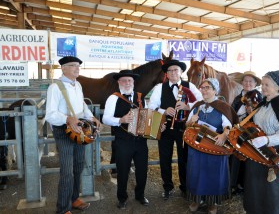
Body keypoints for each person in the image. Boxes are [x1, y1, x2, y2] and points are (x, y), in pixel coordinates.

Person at [45, 56, 101, 214]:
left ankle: (74, 198)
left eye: (78, 66)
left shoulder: (78, 85)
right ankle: (62, 209)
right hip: (63, 131)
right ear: (63, 68)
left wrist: (91, 117)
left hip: (79, 129)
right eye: (73, 66)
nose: (77, 69)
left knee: (78, 165)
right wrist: (67, 119)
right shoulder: (55, 87)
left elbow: (82, 104)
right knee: (67, 171)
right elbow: (50, 114)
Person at [148, 59, 202, 200]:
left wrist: (188, 106)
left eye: (175, 70)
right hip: (165, 129)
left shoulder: (189, 85)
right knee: (164, 159)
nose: (173, 73)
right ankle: (167, 187)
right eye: (170, 70)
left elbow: (200, 101)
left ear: (181, 72)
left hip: (184, 129)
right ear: (166, 73)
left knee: (184, 159)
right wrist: (164, 110)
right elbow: (151, 106)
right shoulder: (160, 87)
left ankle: (185, 187)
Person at [243, 70, 279, 214]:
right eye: (263, 84)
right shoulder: (262, 103)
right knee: (257, 189)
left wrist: (266, 139)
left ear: (277, 87)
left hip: (276, 153)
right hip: (258, 151)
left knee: (273, 192)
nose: (263, 87)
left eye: (267, 84)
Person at [185, 78, 239, 214]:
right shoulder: (197, 106)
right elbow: (187, 126)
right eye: (202, 88)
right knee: (197, 173)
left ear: (215, 90)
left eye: (207, 87)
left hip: (215, 148)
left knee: (213, 175)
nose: (204, 90)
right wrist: (190, 121)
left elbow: (229, 127)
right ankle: (196, 200)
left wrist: (223, 135)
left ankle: (212, 203)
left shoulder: (223, 107)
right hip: (196, 148)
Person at [102, 70, 149, 209]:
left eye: (129, 80)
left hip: (140, 141)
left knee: (142, 170)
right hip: (123, 141)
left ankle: (140, 195)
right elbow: (105, 119)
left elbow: (145, 117)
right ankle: (122, 198)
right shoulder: (113, 98)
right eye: (123, 80)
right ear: (118, 82)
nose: (127, 83)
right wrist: (120, 120)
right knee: (122, 171)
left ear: (133, 82)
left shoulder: (141, 97)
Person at [230, 71, 262, 195]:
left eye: (250, 81)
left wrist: (251, 114)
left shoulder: (259, 97)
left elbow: (261, 118)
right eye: (245, 81)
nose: (248, 83)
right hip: (237, 131)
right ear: (242, 83)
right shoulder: (238, 97)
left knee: (248, 158)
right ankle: (234, 184)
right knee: (235, 157)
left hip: (251, 132)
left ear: (254, 83)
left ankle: (246, 185)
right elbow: (232, 112)